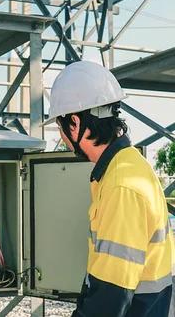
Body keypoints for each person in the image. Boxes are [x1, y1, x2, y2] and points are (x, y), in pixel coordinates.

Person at [43, 61, 175, 317]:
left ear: (74, 123)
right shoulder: (128, 165)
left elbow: (111, 295)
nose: (61, 137)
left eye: (59, 127)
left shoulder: (121, 185)